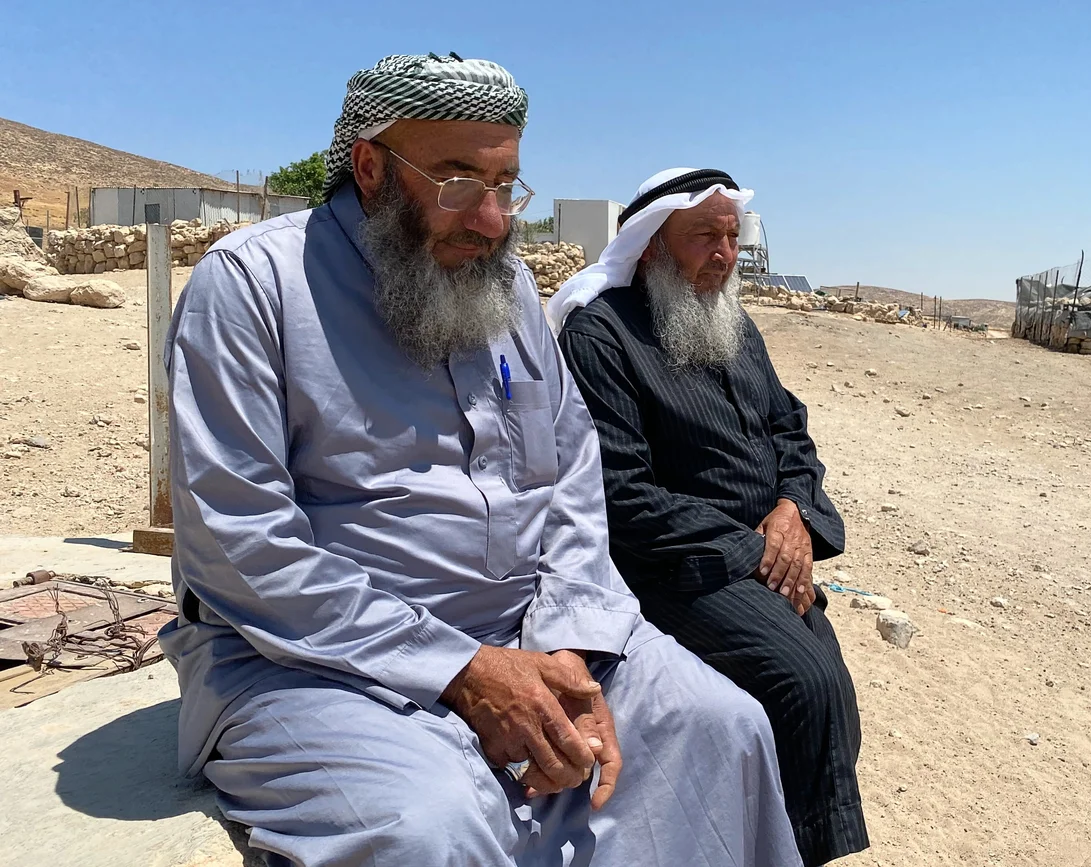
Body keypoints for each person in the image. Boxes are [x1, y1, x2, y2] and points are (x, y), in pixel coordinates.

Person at [157, 56, 801, 867]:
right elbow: (242, 544)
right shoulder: (252, 286)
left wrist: (570, 645)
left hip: (533, 627)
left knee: (722, 725)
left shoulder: (511, 289)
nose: (493, 220)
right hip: (316, 662)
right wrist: (463, 668)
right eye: (459, 181)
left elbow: (572, 477)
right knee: (433, 824)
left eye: (504, 185)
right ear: (370, 168)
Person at [550, 169, 868, 866]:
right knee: (802, 684)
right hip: (673, 566)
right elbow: (619, 493)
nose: (724, 255)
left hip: (763, 556)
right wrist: (757, 551)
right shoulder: (602, 334)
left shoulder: (736, 325)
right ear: (652, 246)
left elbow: (790, 430)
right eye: (704, 237)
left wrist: (792, 512)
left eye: (731, 236)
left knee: (831, 690)